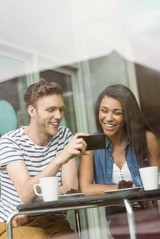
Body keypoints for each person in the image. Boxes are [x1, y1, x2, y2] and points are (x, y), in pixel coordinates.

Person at [0, 78, 87, 239]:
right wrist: (60, 159)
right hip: (14, 223)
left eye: (61, 109)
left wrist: (35, 201)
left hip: (53, 222)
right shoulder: (9, 142)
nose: (58, 116)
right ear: (32, 111)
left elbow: (71, 189)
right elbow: (26, 195)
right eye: (51, 110)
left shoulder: (64, 136)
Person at [79, 84, 160, 238]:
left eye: (117, 113)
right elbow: (86, 188)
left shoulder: (146, 139)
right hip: (119, 218)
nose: (108, 118)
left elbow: (158, 186)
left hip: (150, 215)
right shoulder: (92, 144)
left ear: (127, 115)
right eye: (104, 111)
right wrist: (123, 189)